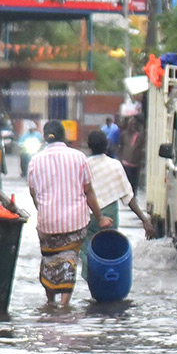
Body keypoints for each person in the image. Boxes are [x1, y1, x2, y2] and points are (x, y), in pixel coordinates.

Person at [27, 120, 114, 306]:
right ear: (63, 136)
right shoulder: (79, 157)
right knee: (69, 258)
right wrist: (100, 217)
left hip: (47, 223)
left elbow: (33, 193)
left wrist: (44, 211)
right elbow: (88, 191)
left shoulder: (35, 160)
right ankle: (64, 305)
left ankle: (50, 302)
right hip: (75, 222)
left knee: (49, 259)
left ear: (44, 137)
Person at [82, 130, 155, 277]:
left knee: (86, 251)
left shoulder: (83, 165)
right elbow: (128, 197)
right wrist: (144, 220)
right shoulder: (115, 165)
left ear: (89, 146)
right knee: (108, 253)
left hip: (86, 215)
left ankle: (91, 279)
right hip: (109, 216)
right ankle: (107, 281)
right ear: (107, 145)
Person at [117, 117, 146, 190]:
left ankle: (133, 198)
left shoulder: (140, 136)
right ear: (128, 125)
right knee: (126, 184)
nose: (132, 126)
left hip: (136, 164)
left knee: (134, 184)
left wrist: (141, 161)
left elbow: (142, 148)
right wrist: (120, 159)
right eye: (131, 124)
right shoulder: (124, 135)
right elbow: (120, 147)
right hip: (125, 163)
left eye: (134, 124)